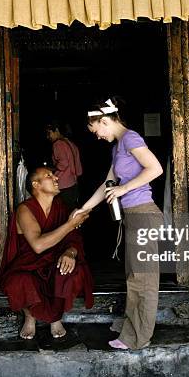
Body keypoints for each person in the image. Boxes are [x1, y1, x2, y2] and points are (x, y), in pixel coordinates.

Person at [73, 97, 164, 350]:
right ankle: (130, 328)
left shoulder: (131, 139)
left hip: (143, 214)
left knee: (142, 280)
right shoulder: (118, 147)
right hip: (134, 215)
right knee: (134, 276)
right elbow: (107, 185)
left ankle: (137, 338)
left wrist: (125, 188)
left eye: (96, 130)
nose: (97, 136)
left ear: (105, 121)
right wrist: (84, 208)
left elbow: (155, 169)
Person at [0, 167, 94, 340]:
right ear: (36, 184)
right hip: (29, 265)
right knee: (19, 281)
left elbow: (73, 238)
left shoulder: (60, 206)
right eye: (49, 176)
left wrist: (71, 252)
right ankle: (30, 317)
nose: (56, 177)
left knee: (69, 271)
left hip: (54, 260)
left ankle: (55, 318)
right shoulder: (25, 210)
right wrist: (70, 224)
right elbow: (38, 246)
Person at [45, 121, 83, 211]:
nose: (48, 137)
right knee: (73, 209)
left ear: (57, 130)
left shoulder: (58, 144)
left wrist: (50, 169)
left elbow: (63, 164)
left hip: (63, 185)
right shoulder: (70, 143)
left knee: (63, 212)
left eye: (49, 133)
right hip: (73, 182)